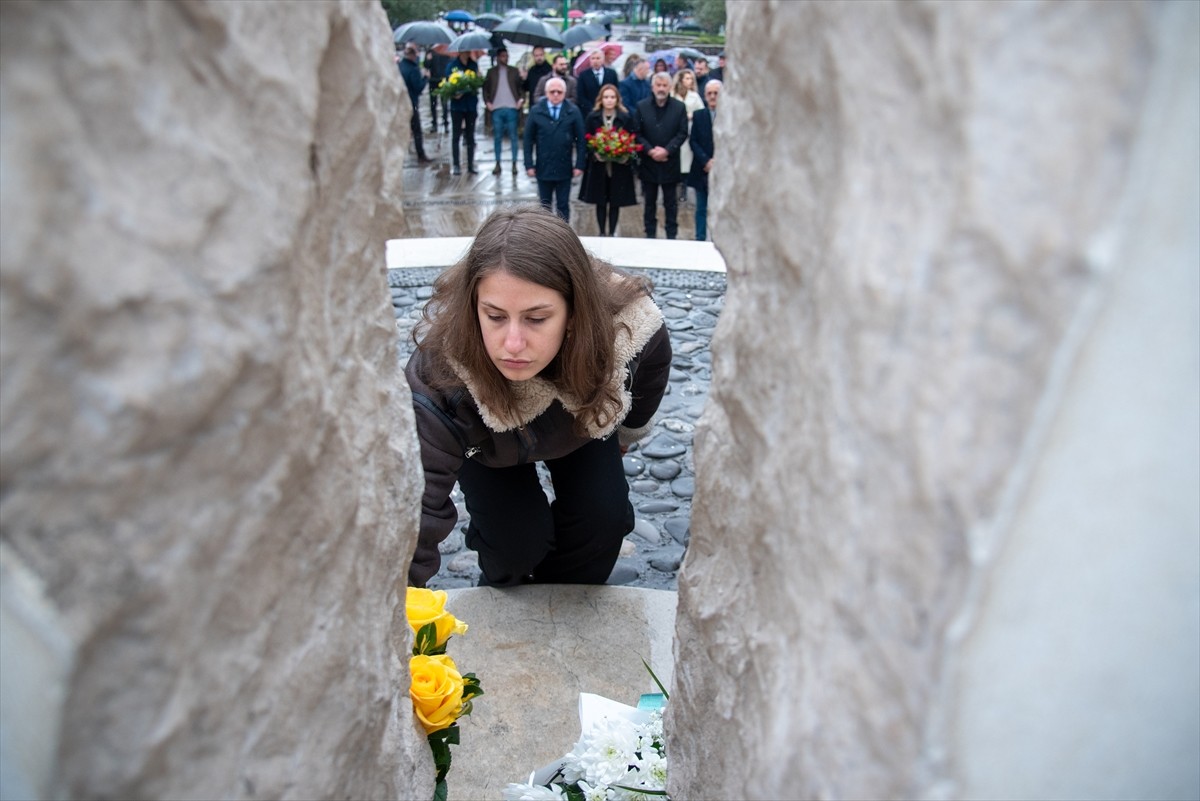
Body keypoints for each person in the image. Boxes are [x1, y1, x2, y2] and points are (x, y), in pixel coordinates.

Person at [404, 205, 673, 588]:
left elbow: (652, 367)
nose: (512, 344)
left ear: (574, 312)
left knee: (603, 520)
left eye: (536, 318)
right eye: (495, 316)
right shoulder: (441, 376)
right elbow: (415, 507)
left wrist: (626, 435)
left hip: (580, 417)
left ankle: (564, 607)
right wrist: (391, 607)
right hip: (486, 445)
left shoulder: (627, 325)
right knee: (514, 543)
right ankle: (506, 598)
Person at [579, 84, 638, 236]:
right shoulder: (593, 117)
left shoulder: (624, 117)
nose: (609, 100)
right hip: (599, 166)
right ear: (601, 99)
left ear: (617, 99)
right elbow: (586, 140)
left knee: (615, 200)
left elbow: (631, 138)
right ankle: (601, 232)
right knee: (600, 200)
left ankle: (611, 232)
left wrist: (624, 154)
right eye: (606, 97)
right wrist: (594, 152)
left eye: (612, 97)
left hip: (618, 166)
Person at [634, 72, 688, 239]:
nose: (661, 89)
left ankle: (671, 235)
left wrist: (667, 150)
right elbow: (637, 133)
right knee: (649, 203)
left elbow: (682, 133)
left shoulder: (679, 107)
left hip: (669, 162)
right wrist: (650, 151)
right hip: (649, 163)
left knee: (670, 203)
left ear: (670, 87)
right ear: (652, 87)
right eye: (658, 85)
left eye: (665, 85)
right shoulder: (642, 106)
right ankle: (649, 234)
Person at [524, 77, 586, 221]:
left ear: (565, 93)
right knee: (544, 206)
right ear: (546, 93)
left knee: (563, 205)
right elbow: (528, 140)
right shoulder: (536, 111)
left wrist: (579, 165)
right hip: (543, 167)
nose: (556, 95)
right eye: (552, 92)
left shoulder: (572, 111)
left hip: (564, 167)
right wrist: (529, 165)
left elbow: (581, 140)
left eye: (559, 92)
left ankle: (564, 237)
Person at [484, 47, 523, 175]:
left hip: (512, 107)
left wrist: (521, 100)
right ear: (497, 57)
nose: (505, 58)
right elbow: (486, 89)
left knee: (513, 137)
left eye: (506, 56)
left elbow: (520, 88)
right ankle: (497, 163)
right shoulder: (491, 72)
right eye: (502, 56)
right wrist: (488, 102)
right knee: (497, 137)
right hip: (496, 108)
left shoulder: (514, 71)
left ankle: (514, 163)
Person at [688, 79, 719, 241]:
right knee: (701, 207)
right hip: (702, 168)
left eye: (716, 93)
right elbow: (693, 141)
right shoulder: (699, 115)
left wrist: (718, 162)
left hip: (722, 169)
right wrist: (706, 161)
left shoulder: (728, 116)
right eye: (709, 93)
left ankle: (718, 238)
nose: (713, 97)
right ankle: (700, 238)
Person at [672, 68, 704, 203]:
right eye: (687, 78)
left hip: (690, 129)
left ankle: (684, 189)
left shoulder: (695, 96)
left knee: (687, 160)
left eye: (691, 79)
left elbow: (701, 112)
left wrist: (692, 115)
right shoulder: (673, 95)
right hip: (675, 129)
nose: (689, 81)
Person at [446, 50, 480, 175]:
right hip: (457, 106)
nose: (467, 53)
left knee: (470, 136)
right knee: (456, 135)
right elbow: (447, 83)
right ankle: (456, 164)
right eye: (464, 51)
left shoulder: (473, 65)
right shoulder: (452, 66)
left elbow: (476, 84)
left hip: (470, 105)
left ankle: (470, 164)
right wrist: (455, 93)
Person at [399, 43, 431, 164]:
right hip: (411, 103)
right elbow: (418, 88)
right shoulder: (413, 69)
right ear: (412, 55)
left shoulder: (400, 66)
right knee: (417, 130)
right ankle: (421, 155)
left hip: (400, 104)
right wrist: (426, 78)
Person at [575, 48, 619, 122]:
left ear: (603, 59)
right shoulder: (583, 75)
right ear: (590, 60)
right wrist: (593, 109)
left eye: (598, 58)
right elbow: (581, 95)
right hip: (589, 112)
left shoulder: (611, 73)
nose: (595, 61)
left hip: (608, 111)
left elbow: (616, 91)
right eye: (593, 58)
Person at [425, 47, 453, 133]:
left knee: (444, 103)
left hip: (443, 80)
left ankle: (445, 123)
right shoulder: (430, 50)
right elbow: (426, 65)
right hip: (433, 80)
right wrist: (428, 59)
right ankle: (434, 124)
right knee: (433, 104)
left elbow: (450, 63)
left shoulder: (446, 50)